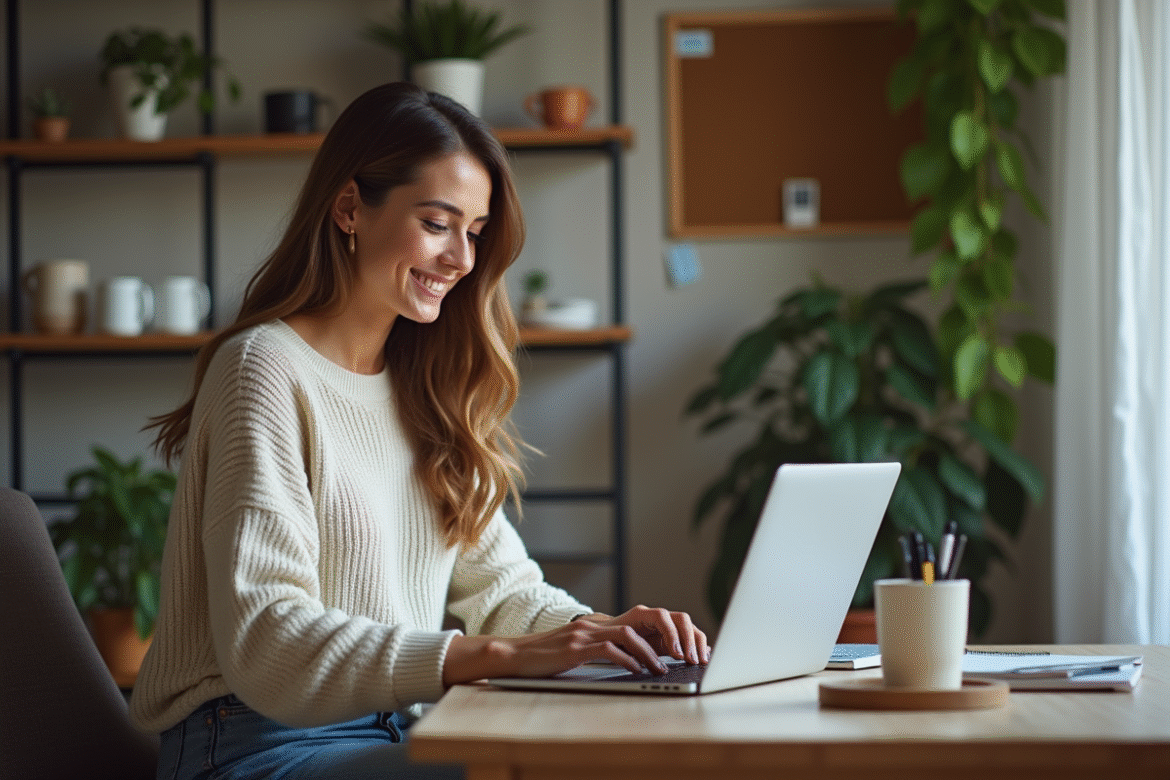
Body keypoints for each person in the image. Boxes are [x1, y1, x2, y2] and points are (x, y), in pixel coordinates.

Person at [129, 82, 709, 780]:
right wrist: (487, 658)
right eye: (438, 224)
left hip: (391, 732)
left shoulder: (424, 389)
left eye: (475, 231)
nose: (462, 259)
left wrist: (607, 639)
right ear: (350, 208)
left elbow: (502, 594)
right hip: (254, 745)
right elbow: (267, 639)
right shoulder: (262, 368)